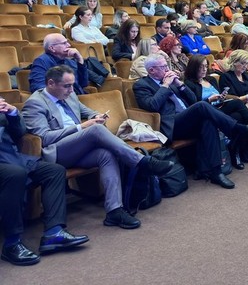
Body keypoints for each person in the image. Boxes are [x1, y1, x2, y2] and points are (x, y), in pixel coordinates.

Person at [23, 65, 173, 230]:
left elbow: (88, 111)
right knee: (94, 129)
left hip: (77, 148)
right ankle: (143, 162)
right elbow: (44, 138)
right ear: (51, 83)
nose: (71, 90)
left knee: (105, 154)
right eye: (66, 86)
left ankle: (114, 210)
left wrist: (96, 116)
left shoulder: (70, 95)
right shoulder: (35, 104)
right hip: (56, 152)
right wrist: (82, 126)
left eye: (72, 85)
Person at [133, 55, 248, 189]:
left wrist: (179, 84)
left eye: (167, 66)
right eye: (163, 67)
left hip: (187, 119)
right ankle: (237, 129)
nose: (167, 69)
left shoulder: (172, 81)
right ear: (152, 70)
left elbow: (192, 98)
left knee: (208, 122)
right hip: (171, 125)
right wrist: (165, 85)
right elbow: (152, 105)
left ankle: (216, 172)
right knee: (202, 106)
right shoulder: (141, 85)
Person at [0, 96, 89, 266]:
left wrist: (11, 112)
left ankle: (53, 232)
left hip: (12, 157)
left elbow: (19, 132)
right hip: (7, 164)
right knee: (16, 174)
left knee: (54, 170)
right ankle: (11, 243)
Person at [183, 55, 248, 170]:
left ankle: (235, 150)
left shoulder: (210, 79)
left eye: (206, 66)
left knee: (237, 115)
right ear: (193, 67)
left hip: (220, 107)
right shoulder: (189, 84)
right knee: (237, 106)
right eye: (201, 67)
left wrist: (221, 97)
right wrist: (209, 100)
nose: (204, 69)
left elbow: (221, 96)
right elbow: (194, 105)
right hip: (206, 114)